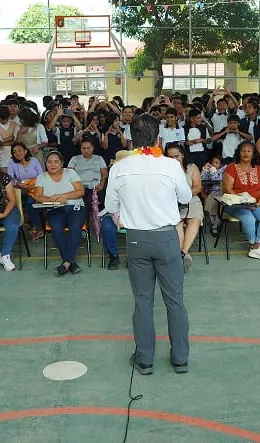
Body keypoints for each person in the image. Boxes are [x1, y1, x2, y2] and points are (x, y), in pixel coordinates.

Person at [104, 113, 192, 375]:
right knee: (174, 301)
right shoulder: (170, 166)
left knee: (143, 301)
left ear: (131, 139)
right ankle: (180, 359)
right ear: (158, 138)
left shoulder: (119, 168)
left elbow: (110, 206)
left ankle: (144, 359)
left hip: (136, 239)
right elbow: (185, 196)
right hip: (166, 237)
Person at [33, 150, 86, 276]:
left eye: (56, 162)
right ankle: (70, 262)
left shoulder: (70, 173)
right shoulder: (42, 176)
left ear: (62, 163)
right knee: (56, 228)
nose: (52, 164)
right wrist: (51, 199)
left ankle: (66, 263)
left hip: (75, 207)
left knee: (74, 228)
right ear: (45, 163)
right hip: (55, 209)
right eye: (49, 162)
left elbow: (80, 192)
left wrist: (64, 196)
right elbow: (38, 196)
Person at [221, 141, 260, 261]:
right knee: (249, 218)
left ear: (253, 154)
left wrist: (259, 203)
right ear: (238, 153)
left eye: (249, 151)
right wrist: (243, 202)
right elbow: (227, 188)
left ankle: (257, 246)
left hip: (255, 202)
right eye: (243, 150)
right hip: (235, 203)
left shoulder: (259, 169)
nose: (245, 153)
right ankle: (255, 247)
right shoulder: (231, 167)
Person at [164, 142, 203, 272]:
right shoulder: (163, 171)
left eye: (177, 156)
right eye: (170, 157)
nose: (174, 160)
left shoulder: (192, 167)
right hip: (172, 203)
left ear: (183, 155)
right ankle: (183, 256)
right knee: (178, 224)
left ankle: (182, 253)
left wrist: (185, 195)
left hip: (192, 200)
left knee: (195, 220)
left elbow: (198, 187)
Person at [8, 142, 44, 240]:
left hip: (36, 187)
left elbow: (41, 176)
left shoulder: (34, 160)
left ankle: (36, 227)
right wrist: (19, 184)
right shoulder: (12, 163)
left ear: (25, 151)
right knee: (25, 201)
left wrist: (33, 185)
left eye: (19, 150)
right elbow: (10, 178)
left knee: (30, 202)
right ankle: (35, 226)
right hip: (21, 189)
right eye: (14, 152)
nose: (17, 153)